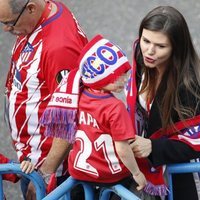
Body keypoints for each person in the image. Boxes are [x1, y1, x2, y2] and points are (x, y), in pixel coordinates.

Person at [0, 0, 88, 199]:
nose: (6, 29)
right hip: (32, 156)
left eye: (10, 23)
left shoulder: (58, 49)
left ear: (31, 8)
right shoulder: (43, 11)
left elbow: (68, 119)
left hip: (51, 170)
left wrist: (45, 175)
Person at [40, 35, 147, 198]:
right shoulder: (115, 107)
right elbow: (122, 149)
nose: (124, 79)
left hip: (79, 170)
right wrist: (137, 173)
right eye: (119, 75)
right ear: (102, 77)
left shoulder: (77, 95)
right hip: (110, 174)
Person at [126, 5, 200, 200]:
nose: (150, 51)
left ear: (176, 47)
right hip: (135, 160)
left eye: (160, 46)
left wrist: (153, 147)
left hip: (171, 170)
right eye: (146, 40)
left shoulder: (189, 86)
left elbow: (195, 140)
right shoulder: (141, 55)